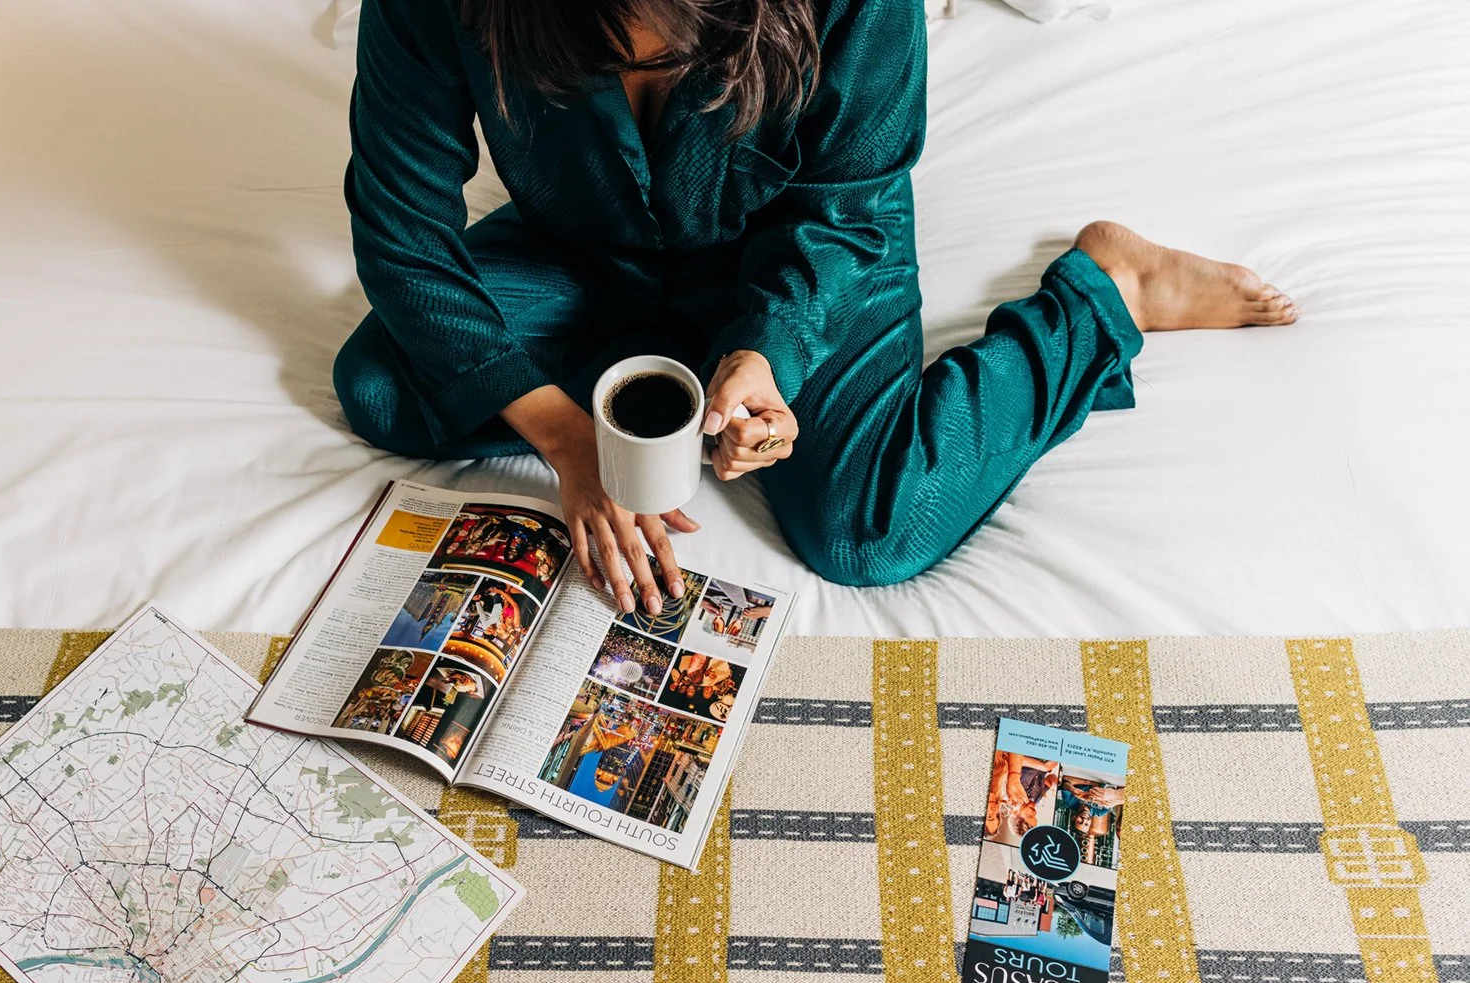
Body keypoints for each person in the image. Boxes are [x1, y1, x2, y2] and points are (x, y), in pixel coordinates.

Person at [335, 0, 1297, 610]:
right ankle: (664, 374)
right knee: (381, 388)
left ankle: (1107, 293)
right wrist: (568, 438)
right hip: (583, 237)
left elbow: (848, 203)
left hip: (805, 232)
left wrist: (770, 354)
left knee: (870, 530)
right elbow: (402, 228)